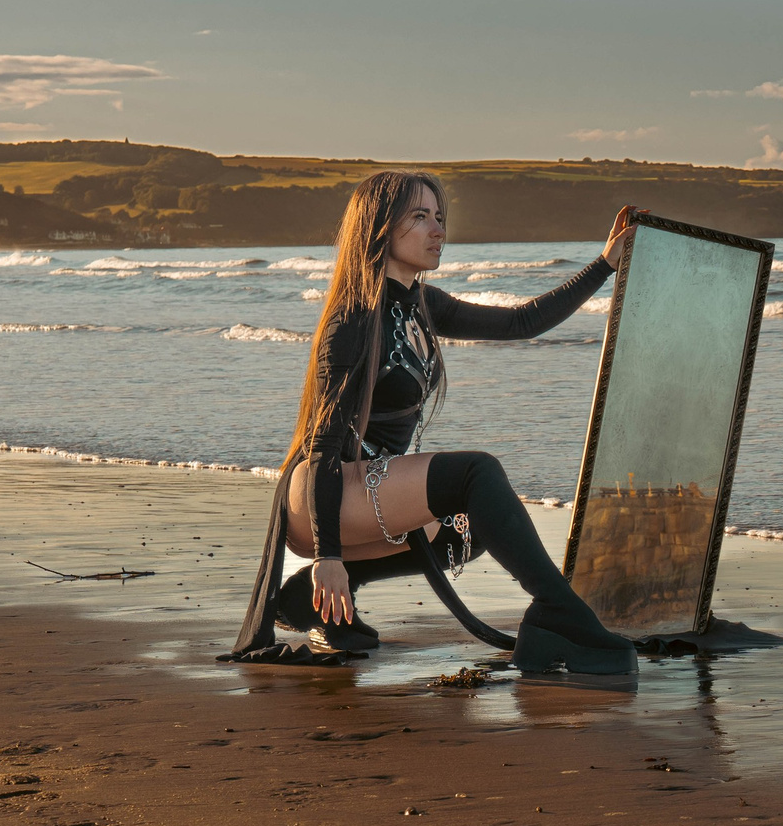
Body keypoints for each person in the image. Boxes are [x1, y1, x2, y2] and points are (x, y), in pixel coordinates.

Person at [227, 170, 642, 675]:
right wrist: (328, 554)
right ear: (379, 226)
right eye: (419, 217)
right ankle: (560, 612)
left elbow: (521, 322)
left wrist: (605, 264)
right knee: (476, 475)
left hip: (367, 492)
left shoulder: (423, 302)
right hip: (320, 491)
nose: (437, 230)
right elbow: (321, 448)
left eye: (439, 217)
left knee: (476, 526)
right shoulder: (354, 316)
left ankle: (315, 598)